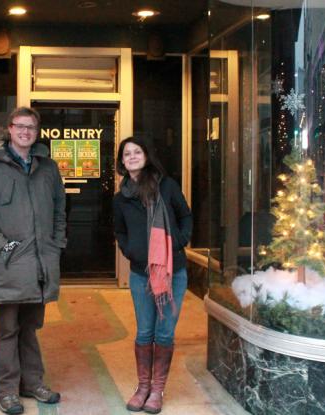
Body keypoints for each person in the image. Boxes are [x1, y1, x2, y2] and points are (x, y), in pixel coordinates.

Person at [0, 107, 67, 415]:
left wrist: (56, 243)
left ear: (37, 132)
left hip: (40, 264)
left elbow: (60, 209)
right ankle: (7, 390)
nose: (26, 132)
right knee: (7, 328)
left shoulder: (48, 168)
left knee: (30, 326)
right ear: (9, 129)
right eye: (20, 126)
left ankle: (32, 382)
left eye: (31, 127)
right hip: (8, 262)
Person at [113, 136, 193, 414]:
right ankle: (143, 386)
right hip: (140, 273)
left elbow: (186, 216)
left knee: (165, 332)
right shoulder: (120, 199)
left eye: (137, 152)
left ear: (146, 156)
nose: (132, 156)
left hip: (174, 271)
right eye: (127, 154)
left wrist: (178, 242)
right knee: (145, 331)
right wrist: (130, 250)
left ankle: (158, 390)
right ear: (122, 162)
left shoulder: (166, 186)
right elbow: (120, 231)